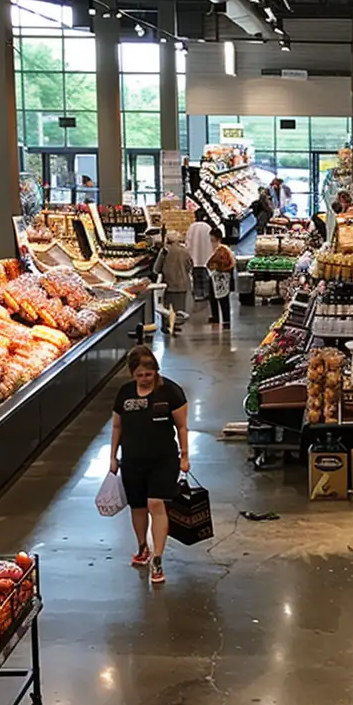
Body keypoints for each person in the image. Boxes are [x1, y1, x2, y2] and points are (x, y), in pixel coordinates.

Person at [110, 346, 188, 586]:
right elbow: (117, 427)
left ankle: (158, 558)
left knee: (156, 503)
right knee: (138, 506)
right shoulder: (125, 393)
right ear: (132, 375)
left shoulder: (170, 392)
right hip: (132, 460)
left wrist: (185, 455)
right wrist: (113, 457)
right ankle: (142, 546)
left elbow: (182, 427)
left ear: (156, 371)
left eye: (149, 374)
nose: (145, 379)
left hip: (164, 459)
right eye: (140, 375)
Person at [156, 231, 193, 329]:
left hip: (168, 283)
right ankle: (176, 324)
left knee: (168, 307)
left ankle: (167, 325)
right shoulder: (184, 251)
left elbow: (156, 268)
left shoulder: (164, 251)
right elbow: (189, 266)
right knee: (180, 307)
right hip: (182, 283)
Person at [205, 240, 237, 327]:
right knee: (213, 297)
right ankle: (216, 317)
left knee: (224, 299)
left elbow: (228, 264)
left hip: (222, 278)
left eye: (212, 240)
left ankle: (226, 321)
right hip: (215, 277)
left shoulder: (223, 250)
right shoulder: (216, 250)